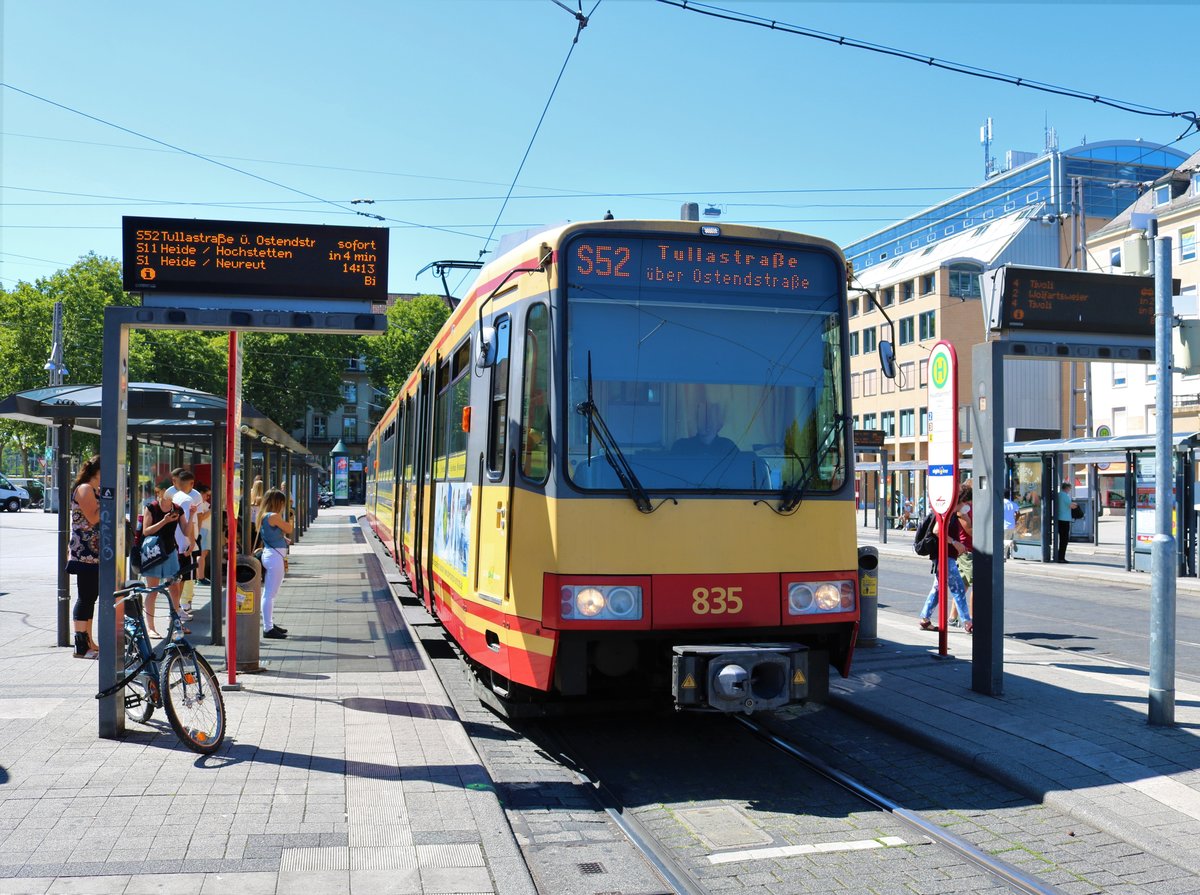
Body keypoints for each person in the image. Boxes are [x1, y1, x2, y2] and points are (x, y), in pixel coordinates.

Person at [917, 499, 973, 634]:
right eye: (966, 503)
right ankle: (968, 623)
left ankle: (925, 619)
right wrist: (955, 543)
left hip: (946, 556)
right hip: (945, 557)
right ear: (958, 502)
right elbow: (937, 530)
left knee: (938, 588)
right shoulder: (947, 513)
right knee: (958, 589)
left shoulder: (953, 513)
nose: (967, 506)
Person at [67, 456, 102, 658]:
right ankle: (81, 646)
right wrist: (110, 499)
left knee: (91, 596)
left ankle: (89, 642)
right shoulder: (85, 489)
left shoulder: (94, 490)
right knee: (85, 597)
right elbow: (94, 517)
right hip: (85, 553)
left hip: (95, 553)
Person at [140, 478, 183, 638]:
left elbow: (185, 529)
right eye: (168, 490)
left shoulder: (177, 508)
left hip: (170, 551)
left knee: (175, 588)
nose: (171, 493)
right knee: (153, 590)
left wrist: (192, 515)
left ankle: (176, 622)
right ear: (160, 492)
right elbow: (146, 531)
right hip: (154, 552)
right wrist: (164, 521)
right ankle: (150, 627)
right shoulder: (151, 507)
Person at [258, 488, 294, 640]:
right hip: (274, 557)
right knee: (269, 594)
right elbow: (289, 528)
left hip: (272, 555)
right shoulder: (273, 516)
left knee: (270, 593)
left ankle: (270, 624)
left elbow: (274, 534)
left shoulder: (265, 515)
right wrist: (291, 516)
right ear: (278, 502)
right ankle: (267, 627)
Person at [672, 401, 737, 456]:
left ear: (719, 424)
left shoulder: (728, 446)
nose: (706, 423)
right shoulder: (681, 446)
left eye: (711, 419)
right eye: (702, 418)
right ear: (696, 421)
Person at [948, 484, 973, 627]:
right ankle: (971, 620)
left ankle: (953, 618)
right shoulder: (962, 510)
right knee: (975, 584)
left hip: (967, 549)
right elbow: (969, 530)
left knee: (962, 585)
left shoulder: (968, 507)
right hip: (967, 549)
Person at [1055, 481, 1078, 563]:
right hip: (1064, 519)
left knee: (1060, 538)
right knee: (1064, 540)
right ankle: (1061, 557)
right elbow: (1071, 506)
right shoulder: (1065, 496)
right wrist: (1075, 505)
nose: (1070, 490)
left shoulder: (1058, 494)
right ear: (1067, 488)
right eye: (1070, 488)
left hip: (1059, 518)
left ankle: (1057, 555)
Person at [194, 482, 212, 585]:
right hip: (202, 530)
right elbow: (201, 517)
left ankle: (199, 576)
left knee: (203, 554)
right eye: (206, 494)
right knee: (201, 554)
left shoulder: (204, 504)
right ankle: (200, 577)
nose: (208, 497)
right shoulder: (199, 504)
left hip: (205, 530)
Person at [1002, 490, 1018, 559]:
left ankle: (1010, 542)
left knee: (1001, 541)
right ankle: (1004, 557)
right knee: (1005, 540)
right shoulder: (1013, 504)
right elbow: (1018, 513)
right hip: (1011, 525)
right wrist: (1015, 520)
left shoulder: (1001, 504)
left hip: (1003, 525)